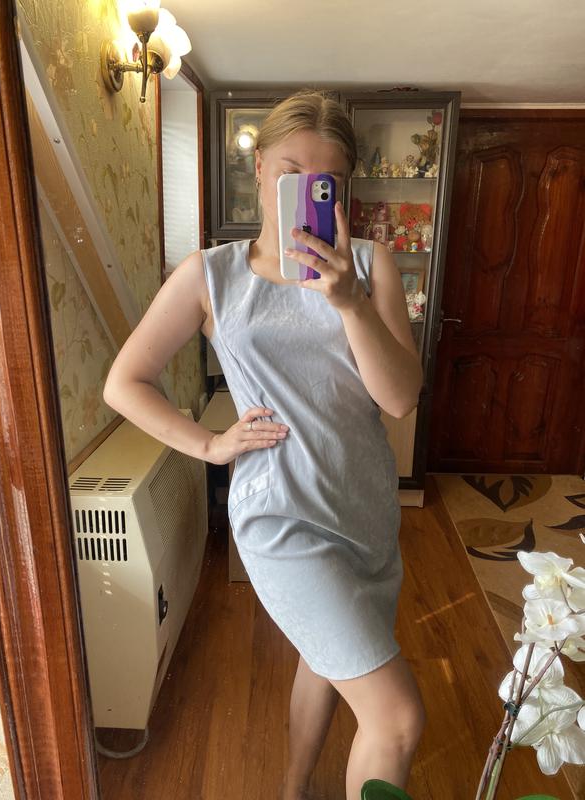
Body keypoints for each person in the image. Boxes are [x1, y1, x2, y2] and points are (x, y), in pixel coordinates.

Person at [104, 88, 426, 800]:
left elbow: (400, 397)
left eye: (326, 180)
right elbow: (125, 382)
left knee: (326, 660)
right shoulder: (210, 275)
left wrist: (347, 303)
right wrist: (209, 446)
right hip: (279, 517)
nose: (306, 191)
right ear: (258, 170)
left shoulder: (370, 266)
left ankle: (292, 787)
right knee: (397, 718)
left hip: (363, 509)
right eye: (291, 172)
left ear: (343, 190)